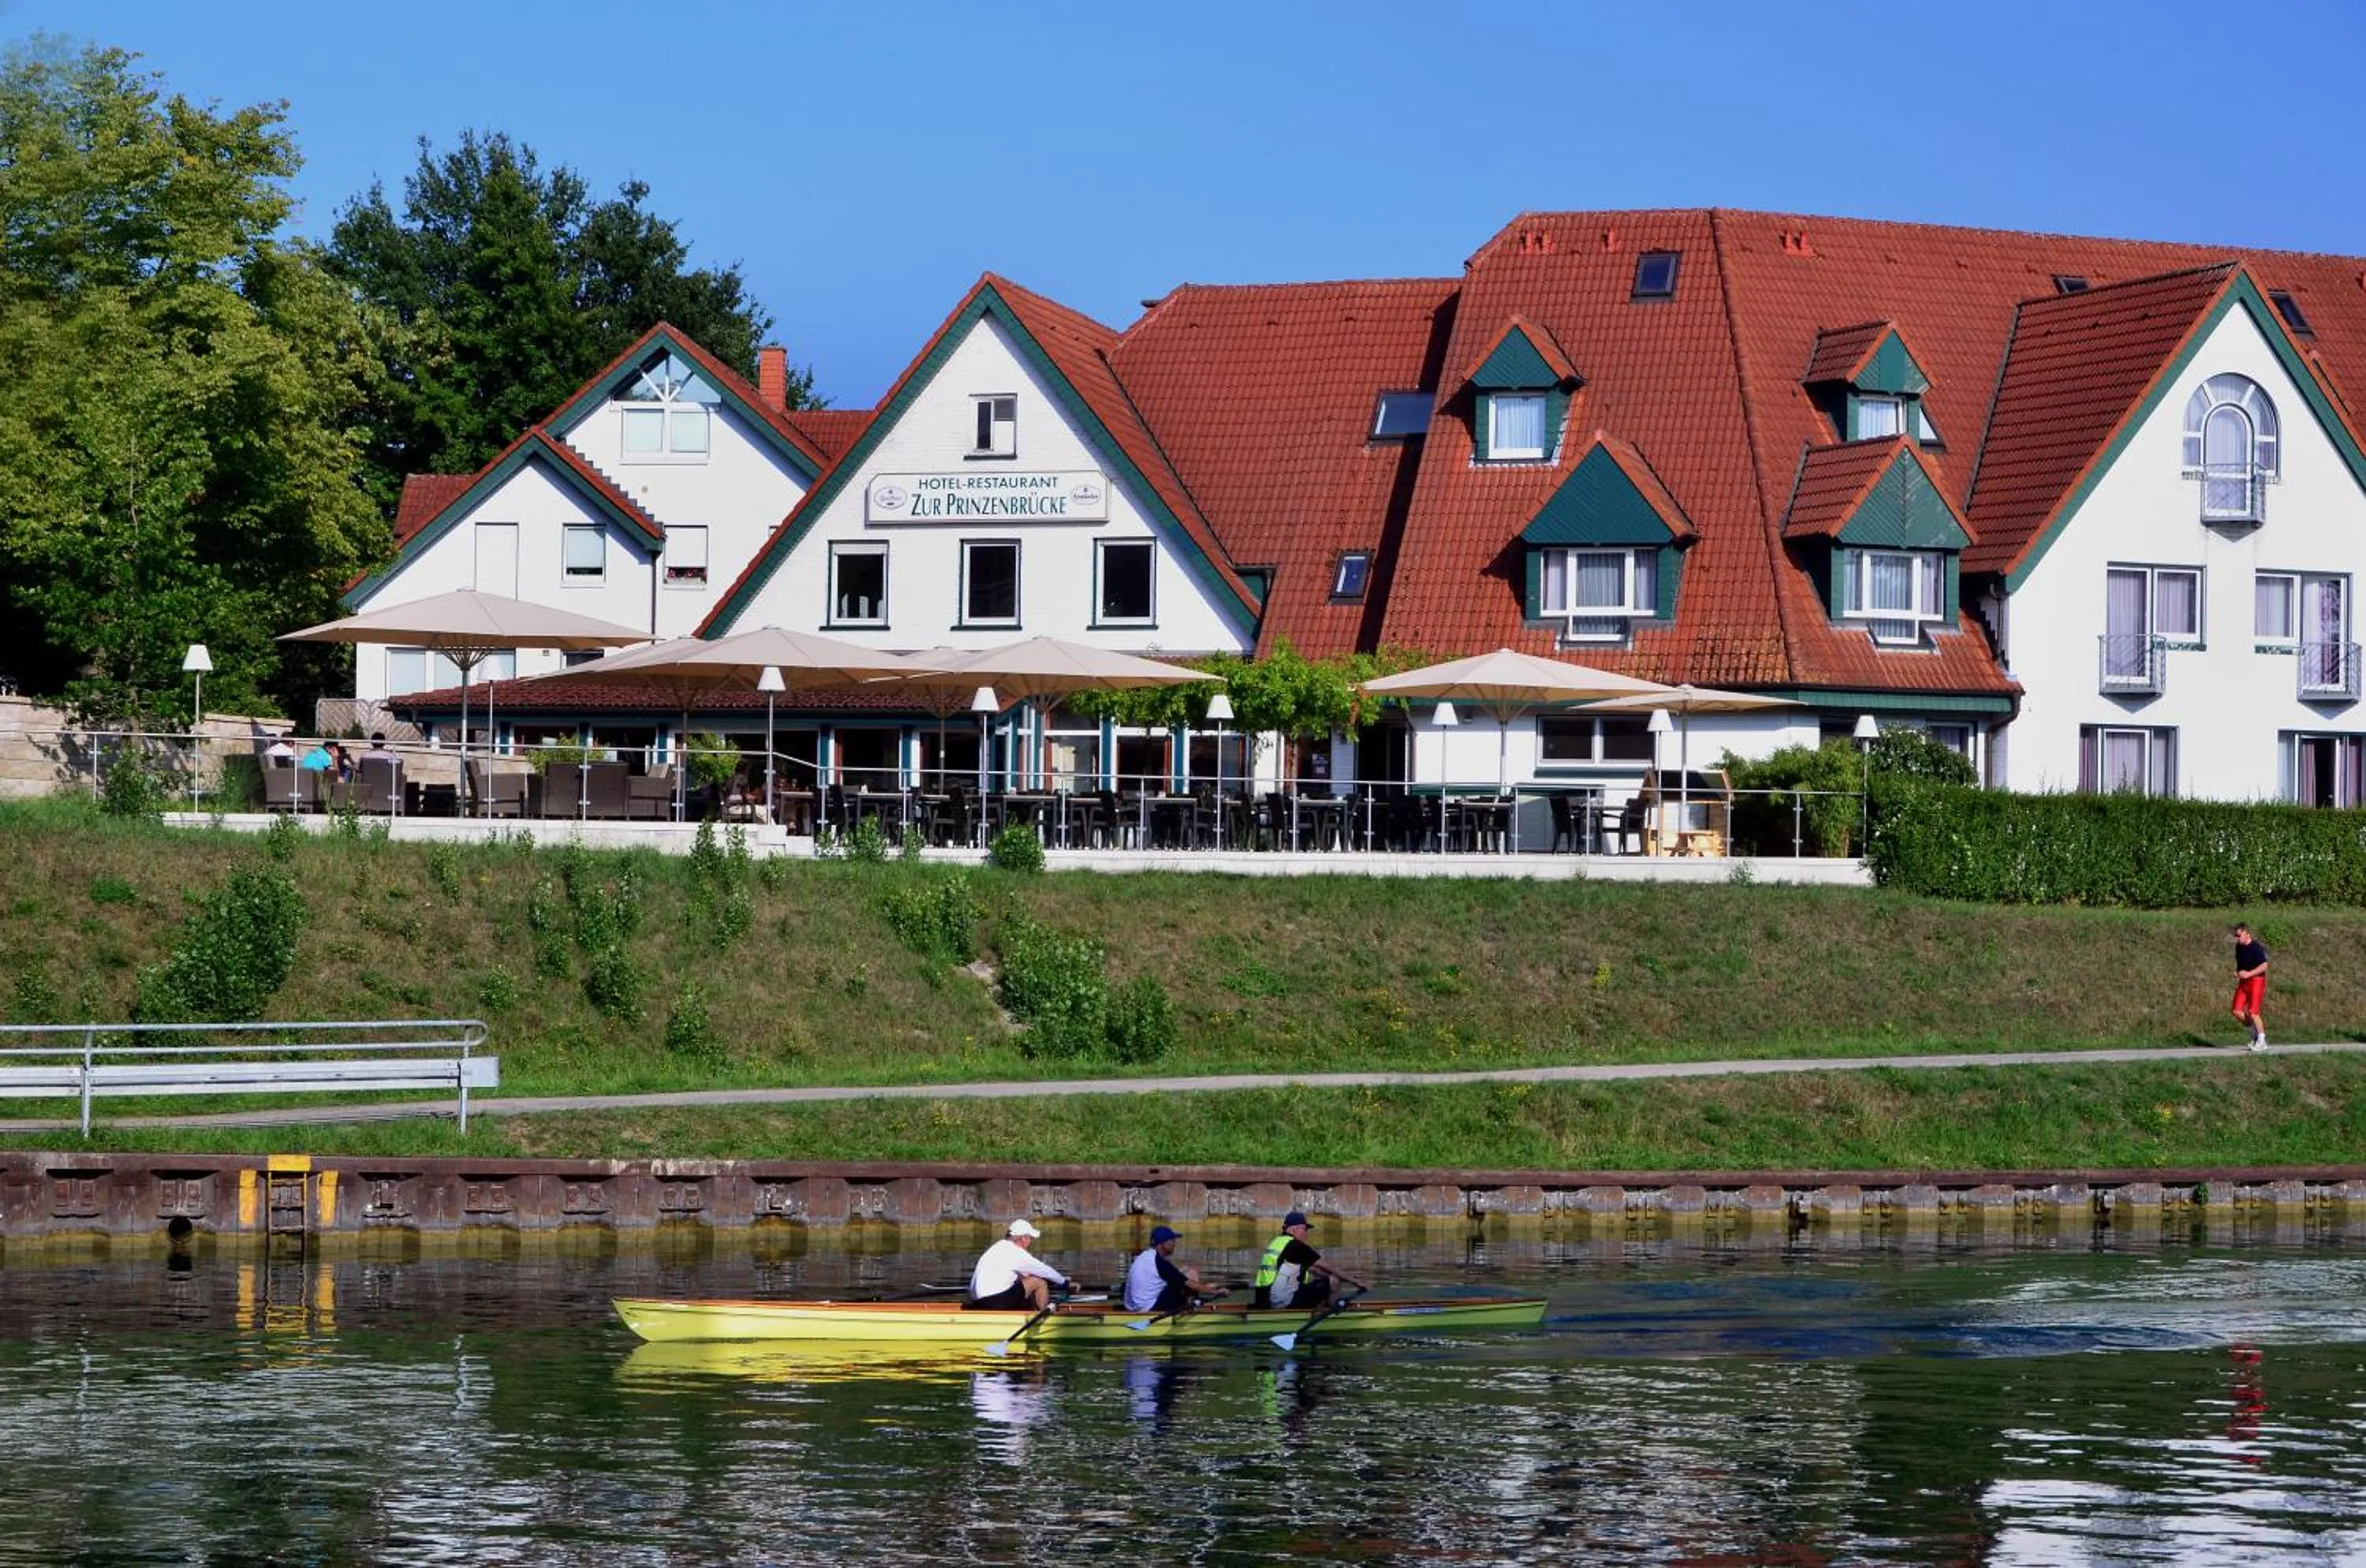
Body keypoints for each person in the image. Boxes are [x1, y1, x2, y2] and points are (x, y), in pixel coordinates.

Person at [1252, 1211, 1368, 1311]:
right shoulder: (1296, 1247)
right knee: (1333, 1281)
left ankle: (1322, 1308)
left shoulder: (1277, 1243)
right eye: (1305, 1230)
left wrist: (1326, 1280)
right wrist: (1355, 1282)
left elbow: (1315, 1270)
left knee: (1323, 1283)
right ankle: (1336, 1315)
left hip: (1266, 1300)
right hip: (1282, 1301)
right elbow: (1328, 1266)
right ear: (1295, 1229)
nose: (1307, 1234)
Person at [965, 1218, 1069, 1311]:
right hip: (993, 1301)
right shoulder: (1017, 1252)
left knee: (1024, 1279)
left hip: (976, 1301)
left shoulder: (997, 1247)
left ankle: (1028, 1309)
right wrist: (1065, 1283)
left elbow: (1025, 1275)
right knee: (1039, 1282)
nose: (1030, 1242)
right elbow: (1045, 1270)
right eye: (1030, 1238)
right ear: (1024, 1239)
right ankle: (1043, 1316)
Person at [1124, 1224, 1226, 1315]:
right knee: (1185, 1282)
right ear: (1163, 1243)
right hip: (1148, 1309)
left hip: (1132, 1307)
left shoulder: (1143, 1257)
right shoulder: (1160, 1262)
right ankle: (1192, 1309)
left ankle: (1197, 1298)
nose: (1174, 1244)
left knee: (1185, 1272)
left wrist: (1207, 1287)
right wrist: (1215, 1292)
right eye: (1172, 1240)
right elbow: (1190, 1284)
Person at [2230, 922, 2270, 1051]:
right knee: (2237, 1011)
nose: (2237, 938)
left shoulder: (2255, 948)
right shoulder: (2239, 947)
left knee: (2253, 1012)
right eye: (2236, 936)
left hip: (2256, 981)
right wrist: (2238, 973)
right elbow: (2241, 963)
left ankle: (2262, 1041)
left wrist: (2249, 974)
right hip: (2244, 982)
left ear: (2247, 934)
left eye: (2239, 936)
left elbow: (2264, 966)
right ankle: (2255, 1035)